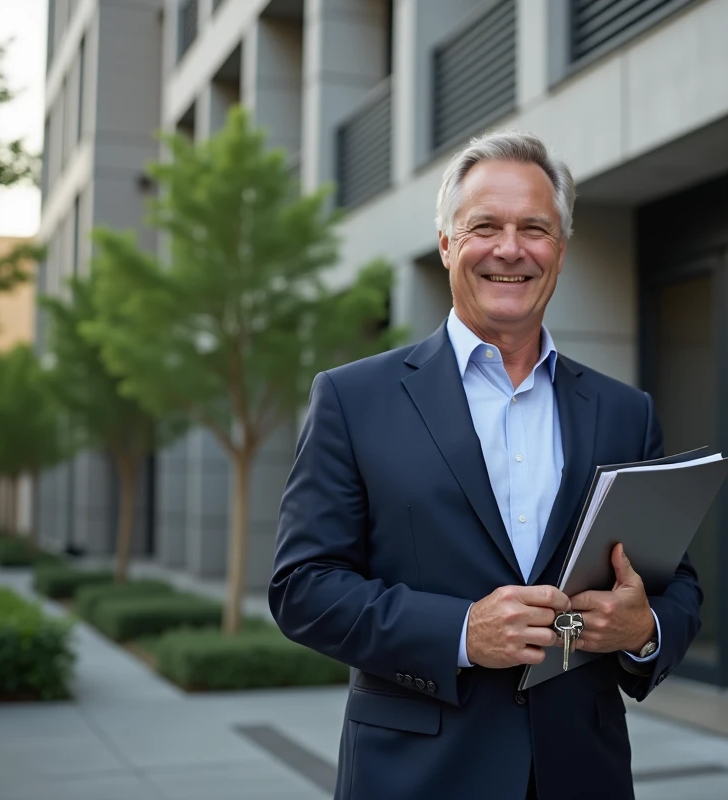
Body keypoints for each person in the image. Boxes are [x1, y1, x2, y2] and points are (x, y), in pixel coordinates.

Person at [269, 130, 702, 800]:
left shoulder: (625, 412)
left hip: (582, 776)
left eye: (534, 228)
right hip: (416, 778)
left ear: (560, 250)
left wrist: (643, 629)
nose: (510, 248)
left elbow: (677, 587)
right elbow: (303, 587)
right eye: (485, 226)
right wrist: (462, 633)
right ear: (447, 244)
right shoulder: (354, 399)